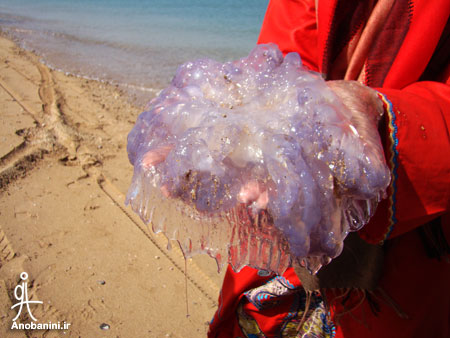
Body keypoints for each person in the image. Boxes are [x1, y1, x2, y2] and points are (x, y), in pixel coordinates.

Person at [207, 1, 450, 337]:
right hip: (284, 230)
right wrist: (248, 113)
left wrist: (384, 126)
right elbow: (284, 50)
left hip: (414, 250)